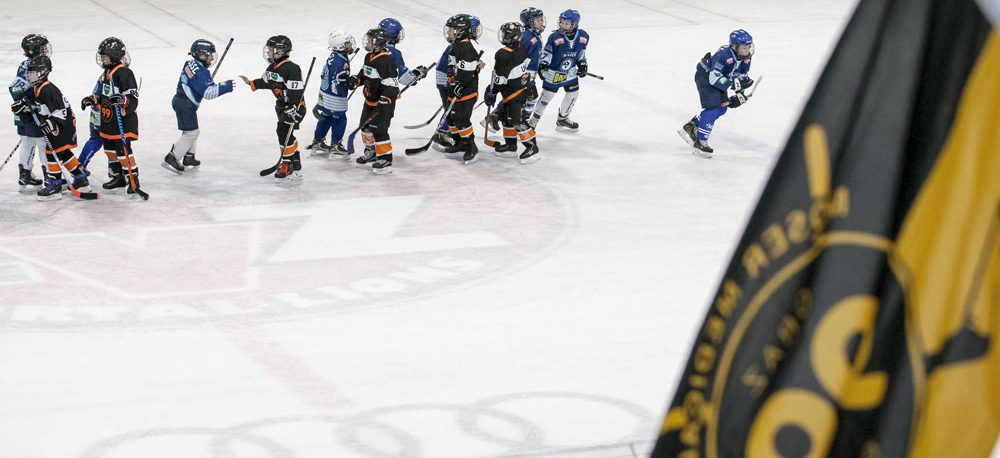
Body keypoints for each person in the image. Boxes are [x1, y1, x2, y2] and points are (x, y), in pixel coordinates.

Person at [11, 56, 91, 201]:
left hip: (63, 126)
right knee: (63, 153)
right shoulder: (38, 88)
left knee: (51, 152)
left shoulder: (47, 89)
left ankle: (55, 185)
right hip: (62, 125)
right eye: (29, 73)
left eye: (33, 73)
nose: (30, 76)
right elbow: (41, 110)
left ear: (43, 72)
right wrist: (24, 110)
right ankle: (80, 178)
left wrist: (50, 124)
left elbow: (60, 111)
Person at [678, 29, 755, 157]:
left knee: (722, 108)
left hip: (720, 80)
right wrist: (732, 84)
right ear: (734, 46)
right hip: (705, 78)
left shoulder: (746, 58)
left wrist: (740, 94)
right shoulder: (723, 55)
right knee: (713, 109)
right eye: (744, 47)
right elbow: (713, 78)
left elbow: (742, 77)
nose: (747, 50)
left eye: (749, 46)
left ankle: (692, 127)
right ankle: (701, 141)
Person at [82, 37, 143, 196]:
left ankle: (133, 180)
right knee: (110, 151)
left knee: (123, 152)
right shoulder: (107, 72)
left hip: (122, 121)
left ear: (114, 55)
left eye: (105, 56)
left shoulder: (124, 73)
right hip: (108, 121)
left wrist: (123, 100)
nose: (102, 59)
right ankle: (118, 177)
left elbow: (133, 98)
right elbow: (105, 96)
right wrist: (93, 100)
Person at [239, 35, 306, 181]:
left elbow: (296, 91)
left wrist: (293, 107)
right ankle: (295, 159)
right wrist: (251, 83)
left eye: (271, 50)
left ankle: (287, 163)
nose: (268, 53)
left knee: (282, 132)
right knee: (287, 134)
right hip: (281, 107)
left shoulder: (292, 68)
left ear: (280, 51)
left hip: (294, 108)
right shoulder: (271, 67)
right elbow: (267, 82)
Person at [162, 39, 234, 174]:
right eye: (209, 54)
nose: (211, 57)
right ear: (201, 55)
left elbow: (196, 83)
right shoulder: (202, 73)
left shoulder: (190, 63)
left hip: (181, 101)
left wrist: (205, 81)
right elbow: (208, 93)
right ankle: (172, 158)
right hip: (185, 104)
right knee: (192, 132)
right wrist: (226, 86)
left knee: (191, 130)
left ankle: (189, 156)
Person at [485, 22, 539, 164]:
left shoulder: (503, 54)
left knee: (517, 121)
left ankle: (532, 147)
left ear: (512, 37)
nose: (502, 36)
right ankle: (510, 146)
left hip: (515, 93)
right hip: (518, 89)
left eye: (505, 34)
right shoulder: (521, 47)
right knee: (506, 118)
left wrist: (491, 92)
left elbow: (500, 78)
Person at [483, 7, 544, 133]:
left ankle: (496, 117)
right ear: (529, 22)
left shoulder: (534, 35)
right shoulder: (527, 37)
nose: (541, 22)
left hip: (528, 72)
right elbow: (518, 56)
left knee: (522, 97)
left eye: (541, 19)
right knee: (526, 97)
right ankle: (516, 121)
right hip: (523, 73)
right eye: (537, 20)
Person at [528, 9, 590, 132]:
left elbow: (581, 53)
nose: (562, 25)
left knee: (573, 94)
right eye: (561, 22)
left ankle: (563, 118)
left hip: (570, 72)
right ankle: (533, 120)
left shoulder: (583, 36)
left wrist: (582, 64)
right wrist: (543, 65)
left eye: (566, 23)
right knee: (547, 96)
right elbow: (547, 53)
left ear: (574, 24)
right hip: (554, 73)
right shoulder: (555, 37)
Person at [352, 28, 399, 174]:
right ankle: (371, 151)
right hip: (369, 101)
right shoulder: (369, 56)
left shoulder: (386, 60)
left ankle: (385, 158)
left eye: (369, 40)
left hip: (383, 105)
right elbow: (365, 74)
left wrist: (385, 98)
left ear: (377, 43)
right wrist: (356, 80)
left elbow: (392, 85)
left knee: (379, 130)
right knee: (365, 127)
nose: (366, 42)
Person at [433, 14, 481, 152]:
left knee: (454, 112)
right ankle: (442, 133)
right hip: (447, 80)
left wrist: (474, 66)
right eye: (475, 28)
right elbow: (453, 67)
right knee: (453, 111)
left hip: (450, 81)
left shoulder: (460, 45)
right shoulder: (458, 45)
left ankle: (455, 136)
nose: (477, 31)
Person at [307, 30, 355, 157]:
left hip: (325, 93)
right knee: (340, 118)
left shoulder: (334, 56)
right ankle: (336, 145)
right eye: (348, 43)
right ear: (341, 46)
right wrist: (350, 82)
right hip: (335, 96)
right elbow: (340, 79)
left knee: (326, 115)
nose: (350, 44)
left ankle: (318, 141)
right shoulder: (340, 62)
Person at [8, 34, 47, 192]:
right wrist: (25, 105)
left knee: (27, 142)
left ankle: (25, 175)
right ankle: (51, 177)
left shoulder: (26, 64)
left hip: (23, 111)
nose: (46, 50)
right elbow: (15, 87)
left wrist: (20, 105)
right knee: (43, 143)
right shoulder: (32, 65)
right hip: (29, 112)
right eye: (43, 47)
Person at [444, 14, 483, 165]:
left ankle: (471, 146)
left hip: (466, 91)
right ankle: (459, 143)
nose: (448, 32)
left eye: (451, 29)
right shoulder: (456, 46)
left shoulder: (466, 47)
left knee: (461, 119)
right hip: (454, 89)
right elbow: (452, 67)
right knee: (451, 118)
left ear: (460, 31)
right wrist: (451, 82)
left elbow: (467, 72)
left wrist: (458, 84)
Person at [379, 18, 430, 89]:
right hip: (385, 93)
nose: (400, 35)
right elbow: (404, 78)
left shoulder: (374, 50)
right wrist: (417, 73)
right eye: (399, 33)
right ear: (393, 34)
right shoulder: (394, 53)